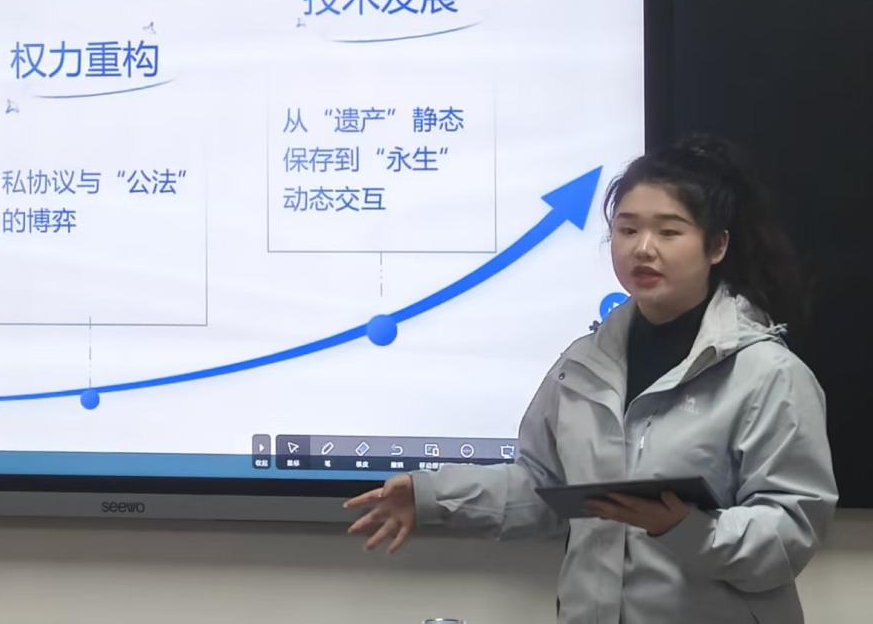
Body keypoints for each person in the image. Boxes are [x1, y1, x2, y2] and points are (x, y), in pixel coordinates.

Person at [344, 135, 838, 623]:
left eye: (669, 232)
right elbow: (542, 487)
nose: (643, 249)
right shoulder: (583, 364)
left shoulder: (767, 374)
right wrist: (432, 495)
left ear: (717, 246)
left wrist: (684, 527)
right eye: (627, 230)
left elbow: (791, 531)